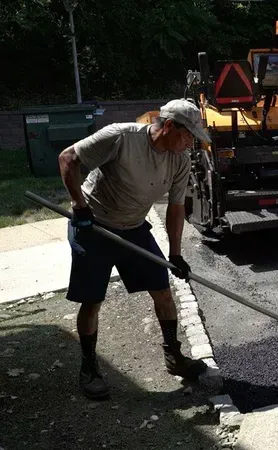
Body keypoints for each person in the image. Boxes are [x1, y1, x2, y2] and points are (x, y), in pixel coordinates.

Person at [57, 99, 212, 400]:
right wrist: (79, 204)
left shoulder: (178, 159)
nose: (191, 142)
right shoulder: (121, 137)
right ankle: (89, 367)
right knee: (92, 300)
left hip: (134, 229)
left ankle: (174, 356)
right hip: (94, 227)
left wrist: (176, 254)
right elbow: (67, 158)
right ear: (168, 126)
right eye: (188, 135)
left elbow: (176, 207)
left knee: (163, 291)